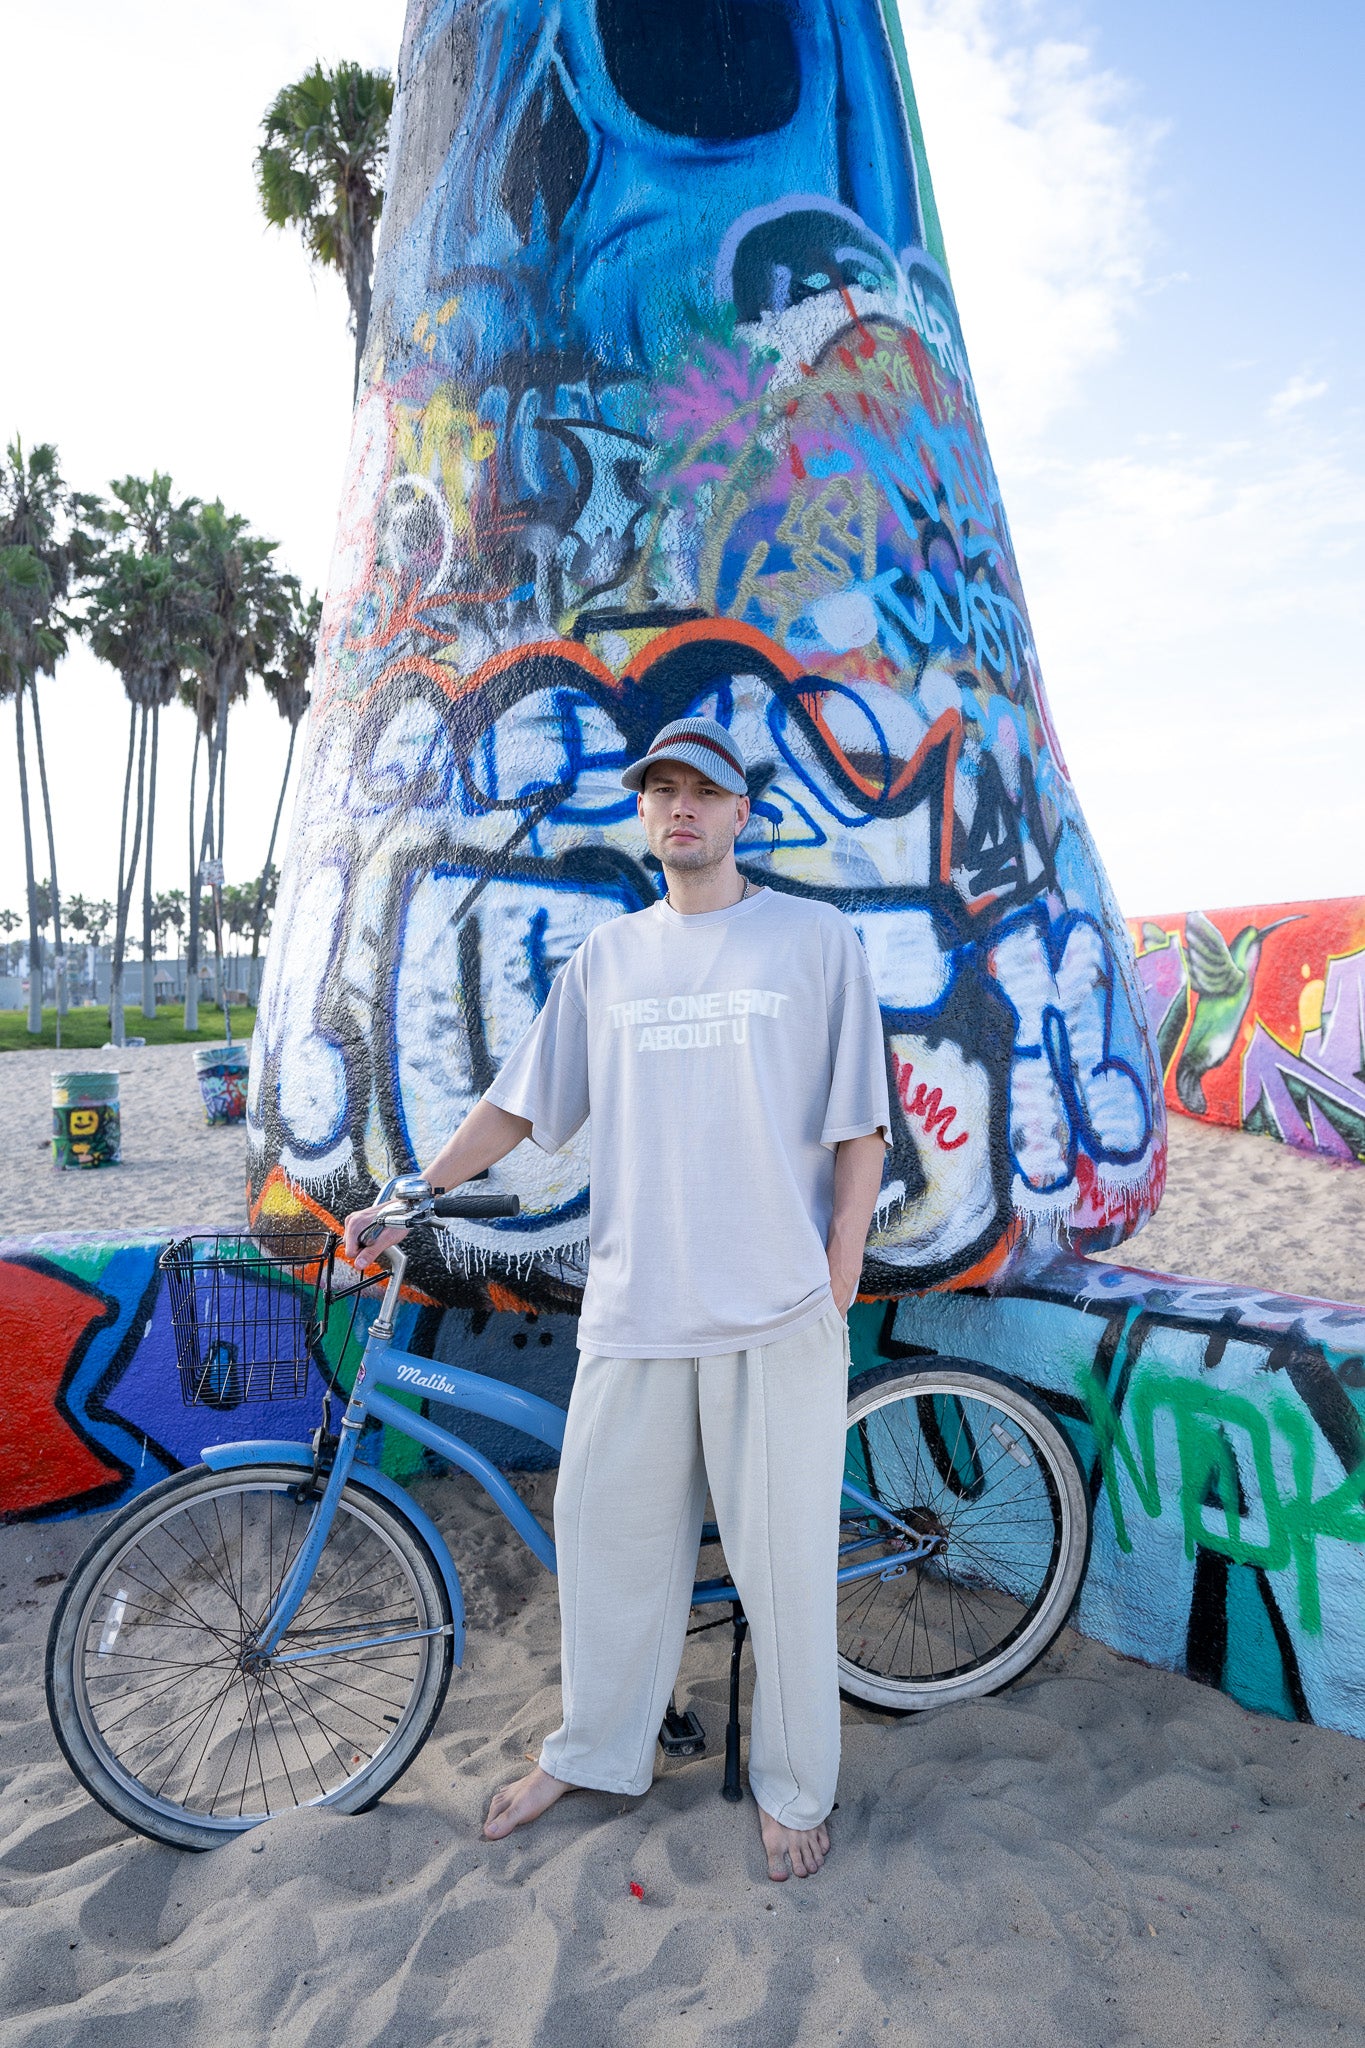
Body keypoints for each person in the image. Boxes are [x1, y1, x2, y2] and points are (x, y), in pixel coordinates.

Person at [344, 714, 890, 1881]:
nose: (682, 804)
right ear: (644, 811)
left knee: (785, 1570)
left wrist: (838, 1268)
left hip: (775, 1311)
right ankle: (597, 1751)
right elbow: (520, 1103)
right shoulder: (608, 959)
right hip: (637, 1310)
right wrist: (413, 1188)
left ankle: (795, 1784)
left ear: (742, 812)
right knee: (603, 1543)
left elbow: (861, 1123)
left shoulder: (813, 939)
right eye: (663, 788)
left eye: (705, 789)